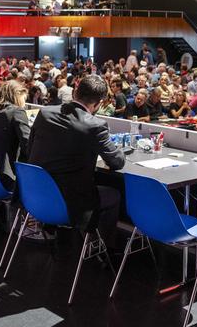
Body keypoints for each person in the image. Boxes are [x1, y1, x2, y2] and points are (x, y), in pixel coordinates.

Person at [28, 74, 125, 249]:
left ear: (75, 93)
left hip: (37, 195)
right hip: (71, 202)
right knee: (114, 194)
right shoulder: (95, 125)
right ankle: (104, 249)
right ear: (98, 104)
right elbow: (117, 162)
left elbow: (30, 149)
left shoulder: (45, 113)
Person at [0, 81, 31, 187]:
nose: (24, 104)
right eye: (24, 99)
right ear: (17, 95)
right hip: (6, 178)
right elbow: (28, 144)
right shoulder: (17, 112)